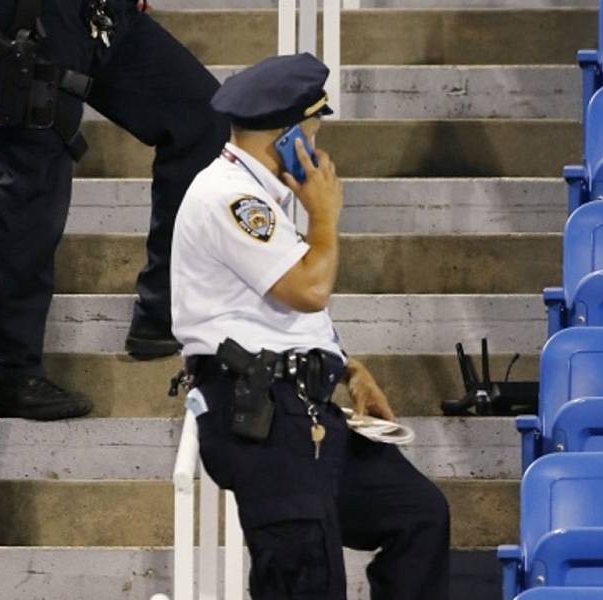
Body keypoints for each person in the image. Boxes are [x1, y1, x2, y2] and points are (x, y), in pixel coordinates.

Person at [171, 52, 450, 600]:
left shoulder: (261, 200)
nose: (319, 146)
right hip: (264, 417)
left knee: (417, 515)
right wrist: (324, 217)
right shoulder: (228, 196)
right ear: (286, 138)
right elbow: (308, 289)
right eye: (313, 128)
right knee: (306, 580)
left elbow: (278, 317)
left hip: (306, 408)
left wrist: (351, 368)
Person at [0, 0, 230, 420]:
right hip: (33, 14)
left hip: (101, 11)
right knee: (32, 185)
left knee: (201, 115)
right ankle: (4, 372)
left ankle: (163, 315)